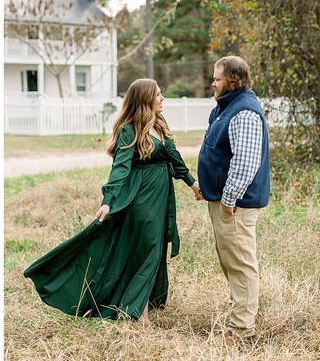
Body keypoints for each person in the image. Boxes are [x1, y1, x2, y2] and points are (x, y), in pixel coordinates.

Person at [24, 79, 202, 322]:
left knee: (156, 249)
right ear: (144, 100)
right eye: (158, 95)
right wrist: (108, 201)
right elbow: (120, 169)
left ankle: (141, 305)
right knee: (150, 250)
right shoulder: (128, 129)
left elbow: (175, 159)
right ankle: (140, 316)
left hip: (162, 197)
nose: (162, 98)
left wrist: (193, 184)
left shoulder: (160, 123)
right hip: (141, 198)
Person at [198, 56, 270, 340]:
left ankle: (241, 330)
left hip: (236, 205)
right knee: (231, 261)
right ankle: (240, 315)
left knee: (241, 264)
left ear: (234, 81)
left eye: (217, 79)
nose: (212, 83)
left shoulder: (245, 112)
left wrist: (228, 198)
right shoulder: (224, 108)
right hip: (224, 201)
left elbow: (246, 162)